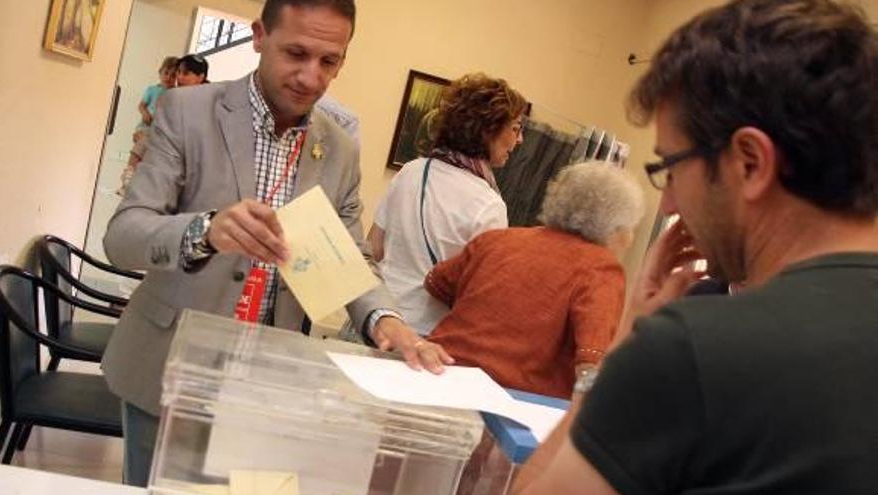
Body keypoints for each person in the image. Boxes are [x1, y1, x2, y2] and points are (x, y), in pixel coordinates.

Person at [513, 0, 878, 493]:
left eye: (670, 167)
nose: (667, 206)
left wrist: (627, 344)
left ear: (749, 163)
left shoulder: (690, 351)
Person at [102, 0, 450, 486]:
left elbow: (353, 258)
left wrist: (386, 320)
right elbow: (122, 236)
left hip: (264, 383)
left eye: (329, 61)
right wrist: (204, 231)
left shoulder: (340, 150)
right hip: (169, 368)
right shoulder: (187, 111)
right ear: (259, 36)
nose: (311, 77)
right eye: (297, 53)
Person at [425, 163, 644, 398]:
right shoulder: (601, 268)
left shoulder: (496, 240)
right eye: (630, 229)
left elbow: (436, 282)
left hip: (437, 373)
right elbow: (591, 362)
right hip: (511, 402)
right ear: (614, 228)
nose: (630, 239)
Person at [369, 73, 527, 334]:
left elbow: (374, 249)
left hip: (377, 320)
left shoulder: (412, 170)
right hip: (422, 337)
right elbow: (479, 296)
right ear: (489, 129)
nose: (519, 140)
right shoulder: (488, 204)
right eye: (516, 128)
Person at [119, 55, 210, 197]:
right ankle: (129, 180)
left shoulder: (205, 100)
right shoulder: (172, 94)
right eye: (178, 73)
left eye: (185, 73)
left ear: (200, 77)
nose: (179, 78)